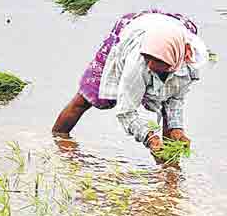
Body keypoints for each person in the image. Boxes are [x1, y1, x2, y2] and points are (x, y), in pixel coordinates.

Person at [52, 11, 206, 156]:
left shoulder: (187, 63)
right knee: (87, 98)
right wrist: (149, 138)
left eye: (157, 61)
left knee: (168, 112)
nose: (151, 65)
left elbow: (175, 100)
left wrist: (177, 129)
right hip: (134, 29)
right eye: (148, 58)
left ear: (174, 58)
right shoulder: (137, 62)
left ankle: (169, 172)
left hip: (167, 31)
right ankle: (56, 141)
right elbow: (125, 111)